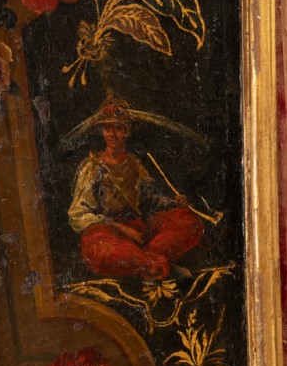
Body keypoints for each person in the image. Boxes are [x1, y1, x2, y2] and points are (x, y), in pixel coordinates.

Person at [67, 99, 204, 280]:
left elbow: (152, 198)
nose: (112, 134)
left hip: (140, 231)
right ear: (102, 132)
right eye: (107, 129)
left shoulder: (135, 164)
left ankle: (147, 260)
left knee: (189, 221)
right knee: (99, 248)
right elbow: (78, 214)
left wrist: (174, 203)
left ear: (127, 130)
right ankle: (154, 264)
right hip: (108, 232)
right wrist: (119, 227)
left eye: (118, 128)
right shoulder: (92, 167)